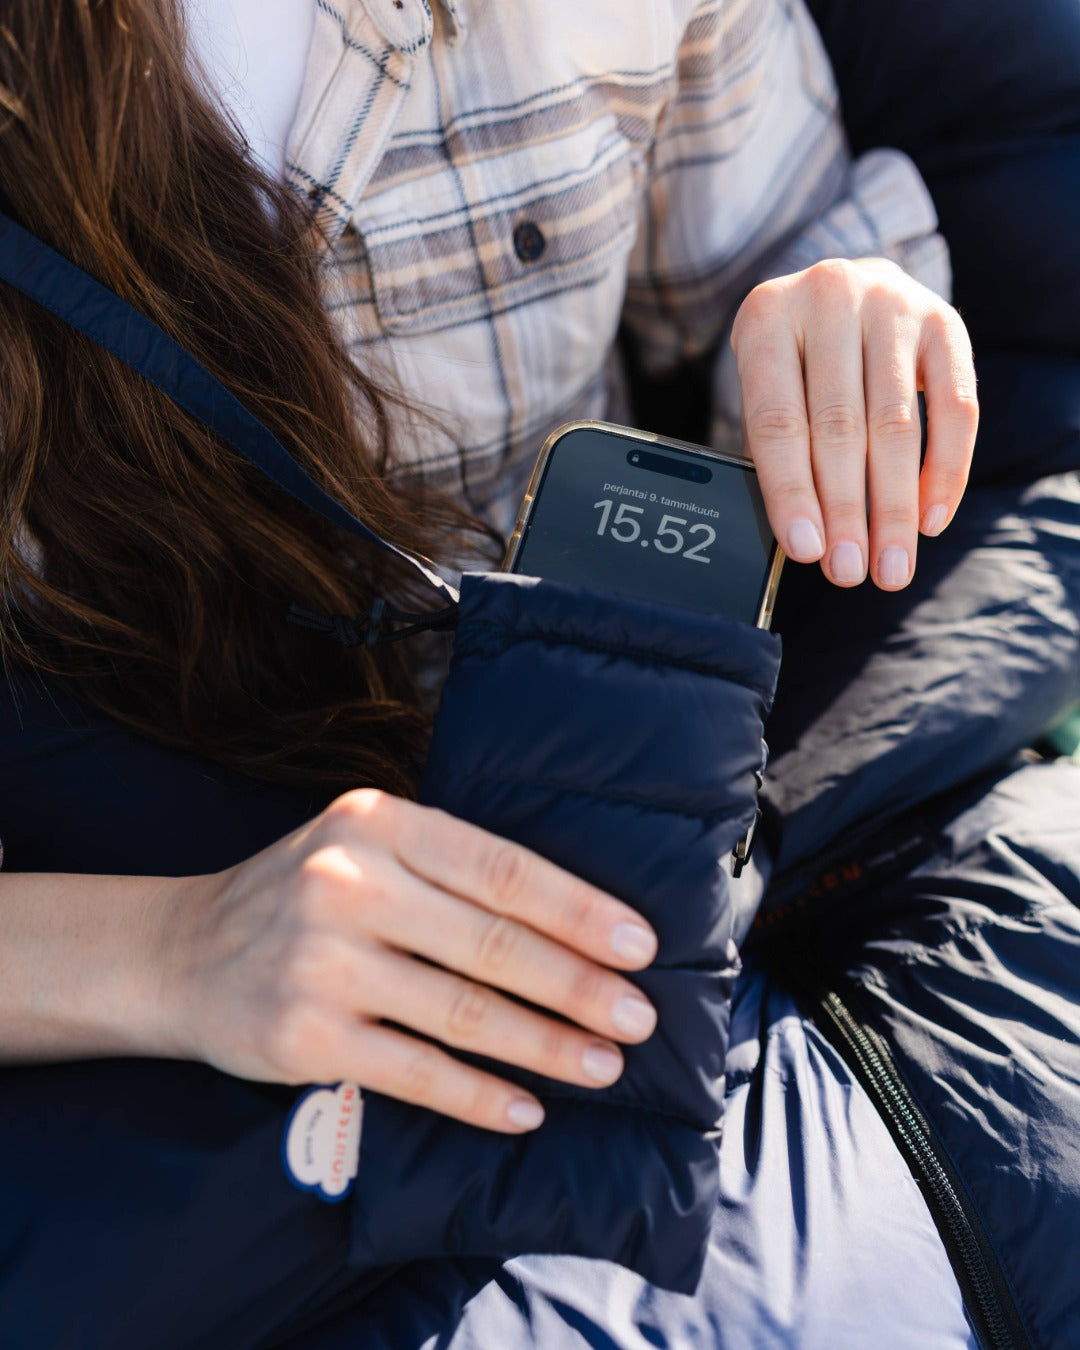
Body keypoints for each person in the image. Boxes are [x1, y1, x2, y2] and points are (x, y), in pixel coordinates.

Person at [1, 2, 1077, 1347]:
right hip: (166, 1043)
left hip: (655, 879)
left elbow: (784, 244)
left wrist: (845, 322)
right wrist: (174, 952)